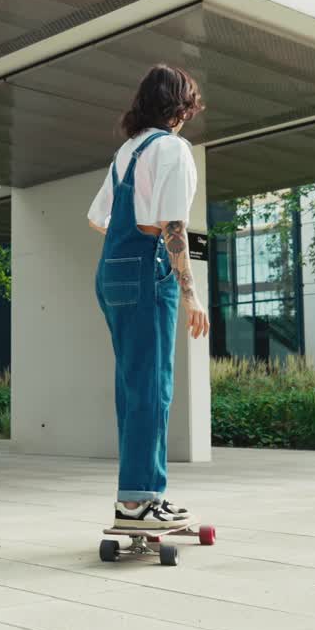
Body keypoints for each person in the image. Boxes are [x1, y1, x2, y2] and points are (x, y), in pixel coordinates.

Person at [86, 64, 209, 529]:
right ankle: (139, 501)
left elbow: (100, 219)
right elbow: (174, 227)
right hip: (146, 272)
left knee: (134, 386)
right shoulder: (173, 149)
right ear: (180, 108)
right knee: (153, 388)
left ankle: (141, 494)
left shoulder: (127, 151)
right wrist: (191, 293)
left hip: (112, 272)